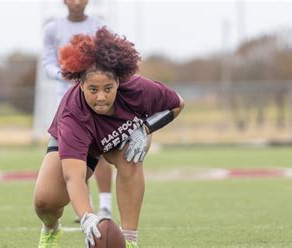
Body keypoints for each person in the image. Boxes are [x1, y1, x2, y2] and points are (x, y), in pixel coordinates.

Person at [34, 27, 184, 248]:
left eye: (108, 88)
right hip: (85, 144)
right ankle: (50, 229)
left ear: (119, 83)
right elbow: (73, 177)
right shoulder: (71, 115)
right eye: (93, 89)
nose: (101, 97)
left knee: (132, 156)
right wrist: (87, 216)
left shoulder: (138, 88)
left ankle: (131, 241)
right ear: (80, 84)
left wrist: (145, 129)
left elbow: (177, 103)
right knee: (46, 201)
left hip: (119, 139)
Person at [41, 0, 113, 220]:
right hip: (67, 101)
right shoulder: (52, 28)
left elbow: (110, 61)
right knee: (75, 154)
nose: (77, 2)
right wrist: (65, 73)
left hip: (96, 99)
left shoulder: (100, 27)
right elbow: (47, 63)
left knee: (100, 151)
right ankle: (86, 205)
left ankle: (106, 206)